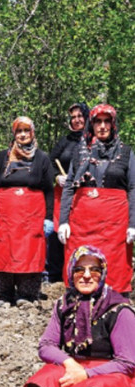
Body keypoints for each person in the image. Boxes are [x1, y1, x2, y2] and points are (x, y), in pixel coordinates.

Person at [23, 246, 135, 387]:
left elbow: (127, 362)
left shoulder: (119, 310)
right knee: (38, 384)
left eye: (94, 270)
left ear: (103, 273)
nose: (86, 275)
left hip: (109, 372)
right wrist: (70, 364)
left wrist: (86, 374)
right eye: (79, 269)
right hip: (74, 366)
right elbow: (46, 345)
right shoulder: (64, 304)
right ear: (71, 273)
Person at [58, 104, 135, 293]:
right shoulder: (79, 152)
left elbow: (133, 187)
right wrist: (63, 221)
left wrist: (133, 223)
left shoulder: (126, 152)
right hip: (82, 223)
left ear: (113, 124)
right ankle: (78, 306)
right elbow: (69, 185)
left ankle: (115, 308)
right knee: (81, 261)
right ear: (91, 125)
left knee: (115, 266)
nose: (102, 126)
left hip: (115, 225)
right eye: (98, 121)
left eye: (106, 121)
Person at [0, 116, 54, 306]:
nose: (23, 135)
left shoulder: (42, 158)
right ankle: (4, 294)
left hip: (32, 217)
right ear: (14, 133)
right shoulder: (3, 157)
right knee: (4, 251)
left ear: (32, 133)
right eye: (19, 131)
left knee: (30, 252)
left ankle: (27, 294)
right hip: (5, 216)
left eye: (26, 131)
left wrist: (49, 217)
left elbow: (49, 190)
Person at [45, 103, 88, 283]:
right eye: (73, 117)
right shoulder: (65, 141)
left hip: (83, 194)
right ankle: (54, 274)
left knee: (80, 232)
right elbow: (50, 161)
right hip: (61, 193)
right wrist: (56, 177)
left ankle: (78, 270)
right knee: (57, 232)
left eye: (80, 116)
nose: (76, 120)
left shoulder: (93, 141)